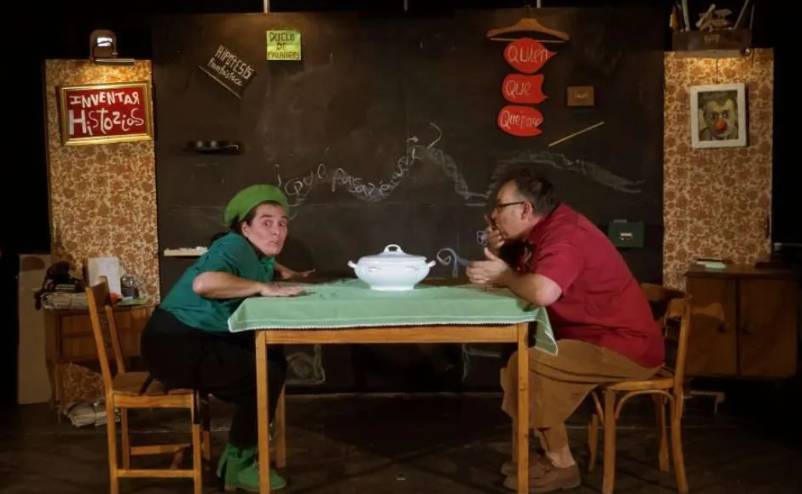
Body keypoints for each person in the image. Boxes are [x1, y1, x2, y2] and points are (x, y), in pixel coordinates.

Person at [466, 170, 663, 493]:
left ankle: (562, 465)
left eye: (500, 206)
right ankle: (546, 454)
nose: (493, 215)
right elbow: (527, 273)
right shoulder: (541, 231)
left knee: (531, 365)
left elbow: (543, 291)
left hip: (624, 345)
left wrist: (503, 275)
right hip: (589, 338)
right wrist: (501, 251)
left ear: (525, 209)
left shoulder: (565, 234)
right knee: (523, 360)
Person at [141, 184, 308, 491]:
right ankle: (239, 465)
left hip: (192, 336)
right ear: (245, 228)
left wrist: (284, 273)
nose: (277, 231)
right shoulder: (233, 246)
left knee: (272, 357)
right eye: (266, 222)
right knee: (264, 375)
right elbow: (204, 283)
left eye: (282, 223)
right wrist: (262, 287)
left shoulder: (253, 251)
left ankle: (239, 454)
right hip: (174, 344)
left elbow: (264, 265)